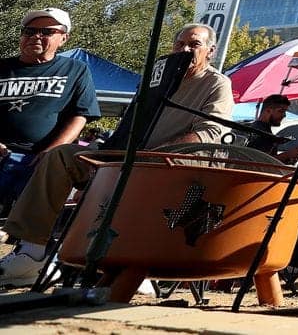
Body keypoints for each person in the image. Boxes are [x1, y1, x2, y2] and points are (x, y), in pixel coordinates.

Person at [0, 23, 233, 287]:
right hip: (124, 157)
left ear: (211, 51)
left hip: (168, 167)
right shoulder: (156, 79)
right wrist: (106, 149)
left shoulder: (217, 83)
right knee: (60, 156)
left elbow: (210, 132)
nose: (186, 50)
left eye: (194, 44)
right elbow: (129, 125)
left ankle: (132, 263)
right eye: (180, 44)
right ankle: (32, 253)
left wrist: (153, 155)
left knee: (131, 175)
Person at [0, 9, 100, 205]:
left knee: (27, 222)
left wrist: (53, 153)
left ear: (63, 38)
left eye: (47, 32)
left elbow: (80, 115)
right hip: (2, 154)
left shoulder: (75, 70)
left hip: (41, 161)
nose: (36, 36)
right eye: (29, 31)